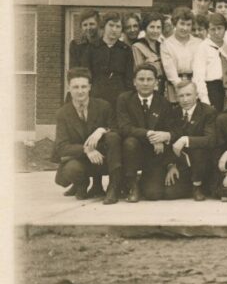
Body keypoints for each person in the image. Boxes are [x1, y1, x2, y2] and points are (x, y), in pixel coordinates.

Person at [54, 68, 123, 204]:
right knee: (71, 170)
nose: (80, 91)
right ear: (69, 88)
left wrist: (102, 129)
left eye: (84, 86)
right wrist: (86, 150)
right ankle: (82, 184)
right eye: (76, 87)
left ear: (90, 87)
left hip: (102, 158)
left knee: (113, 137)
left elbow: (117, 129)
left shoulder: (103, 106)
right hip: (81, 159)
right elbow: (61, 147)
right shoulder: (62, 113)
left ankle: (113, 187)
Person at [116, 63, 180, 202]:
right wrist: (152, 135)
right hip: (131, 152)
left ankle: (143, 181)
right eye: (141, 79)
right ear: (134, 82)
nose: (145, 83)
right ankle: (133, 185)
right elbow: (124, 128)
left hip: (154, 155)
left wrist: (165, 136)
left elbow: (173, 130)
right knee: (130, 142)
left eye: (149, 79)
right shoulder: (125, 99)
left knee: (153, 194)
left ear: (156, 82)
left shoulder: (163, 102)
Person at [169, 80, 217, 201]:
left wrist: (186, 140)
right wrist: (171, 165)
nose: (185, 100)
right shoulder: (173, 113)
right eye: (181, 96)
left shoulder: (208, 112)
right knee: (169, 193)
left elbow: (211, 140)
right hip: (182, 162)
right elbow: (170, 141)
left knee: (198, 148)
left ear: (196, 95)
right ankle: (188, 185)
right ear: (176, 97)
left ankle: (198, 186)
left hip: (203, 163)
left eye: (188, 95)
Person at [84, 11, 135, 108]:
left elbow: (129, 78)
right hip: (96, 95)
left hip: (119, 97)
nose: (114, 29)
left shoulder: (126, 50)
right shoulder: (92, 48)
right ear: (104, 26)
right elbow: (86, 74)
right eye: (111, 25)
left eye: (118, 26)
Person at [160, 8, 201, 104]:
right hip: (174, 86)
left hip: (195, 84)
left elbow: (199, 68)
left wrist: (193, 89)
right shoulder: (166, 44)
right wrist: (181, 89)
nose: (185, 28)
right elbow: (169, 70)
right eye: (182, 24)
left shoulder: (198, 43)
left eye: (188, 25)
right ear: (175, 24)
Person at [193, 12, 227, 112]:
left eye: (219, 28)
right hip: (212, 89)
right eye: (213, 29)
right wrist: (205, 100)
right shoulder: (203, 47)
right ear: (208, 30)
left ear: (225, 28)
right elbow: (198, 77)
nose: (216, 32)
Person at [131, 12, 165, 95]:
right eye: (152, 27)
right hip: (146, 88)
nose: (155, 31)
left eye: (158, 27)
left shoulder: (162, 46)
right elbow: (139, 70)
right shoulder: (137, 46)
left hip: (163, 87)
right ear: (145, 28)